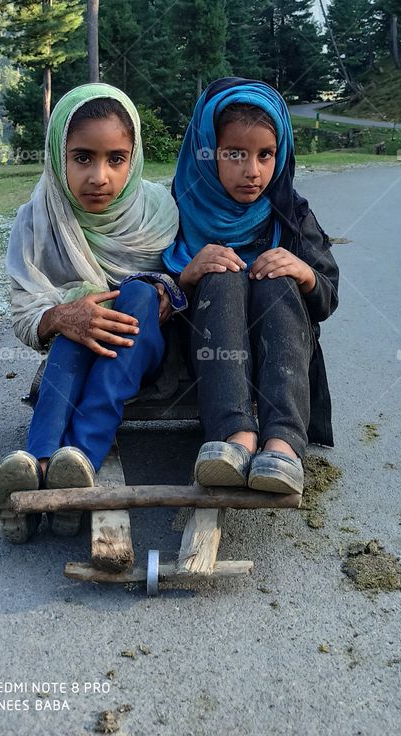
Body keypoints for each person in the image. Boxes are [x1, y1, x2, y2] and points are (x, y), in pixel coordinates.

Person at [0, 83, 183, 543]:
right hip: (74, 353)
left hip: (144, 353)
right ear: (59, 156)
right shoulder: (38, 219)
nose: (100, 176)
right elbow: (25, 311)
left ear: (133, 158)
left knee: (132, 294)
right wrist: (61, 315)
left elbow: (185, 276)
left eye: (116, 159)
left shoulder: (159, 212)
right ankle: (41, 463)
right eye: (82, 158)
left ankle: (78, 452)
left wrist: (166, 292)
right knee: (78, 312)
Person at [163, 78, 339, 496]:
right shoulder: (176, 209)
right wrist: (187, 275)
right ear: (207, 152)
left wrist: (304, 271)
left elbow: (327, 295)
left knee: (276, 280)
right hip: (199, 354)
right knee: (221, 274)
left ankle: (283, 444)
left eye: (265, 155)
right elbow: (147, 286)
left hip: (278, 352)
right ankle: (234, 437)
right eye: (235, 154)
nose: (253, 170)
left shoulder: (290, 213)